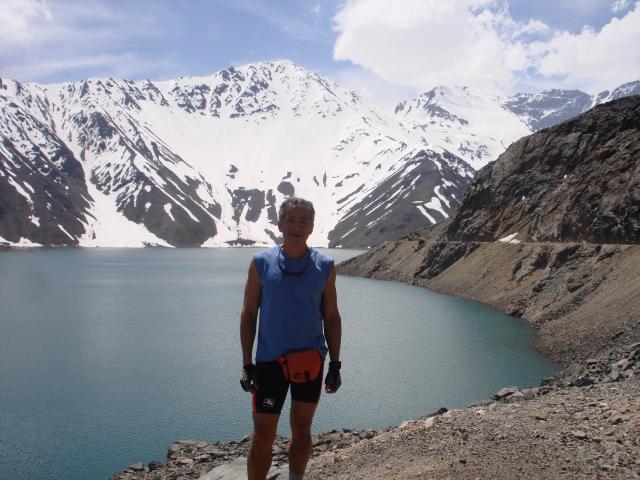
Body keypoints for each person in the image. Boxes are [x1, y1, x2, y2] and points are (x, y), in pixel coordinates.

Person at [239, 197, 342, 480]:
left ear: (312, 226)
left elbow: (331, 316)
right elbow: (249, 314)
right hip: (270, 363)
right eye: (291, 220)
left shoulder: (325, 265)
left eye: (303, 221)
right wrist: (247, 364)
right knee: (263, 436)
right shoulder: (261, 263)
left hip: (310, 362)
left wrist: (335, 364)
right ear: (280, 224)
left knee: (302, 429)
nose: (297, 226)